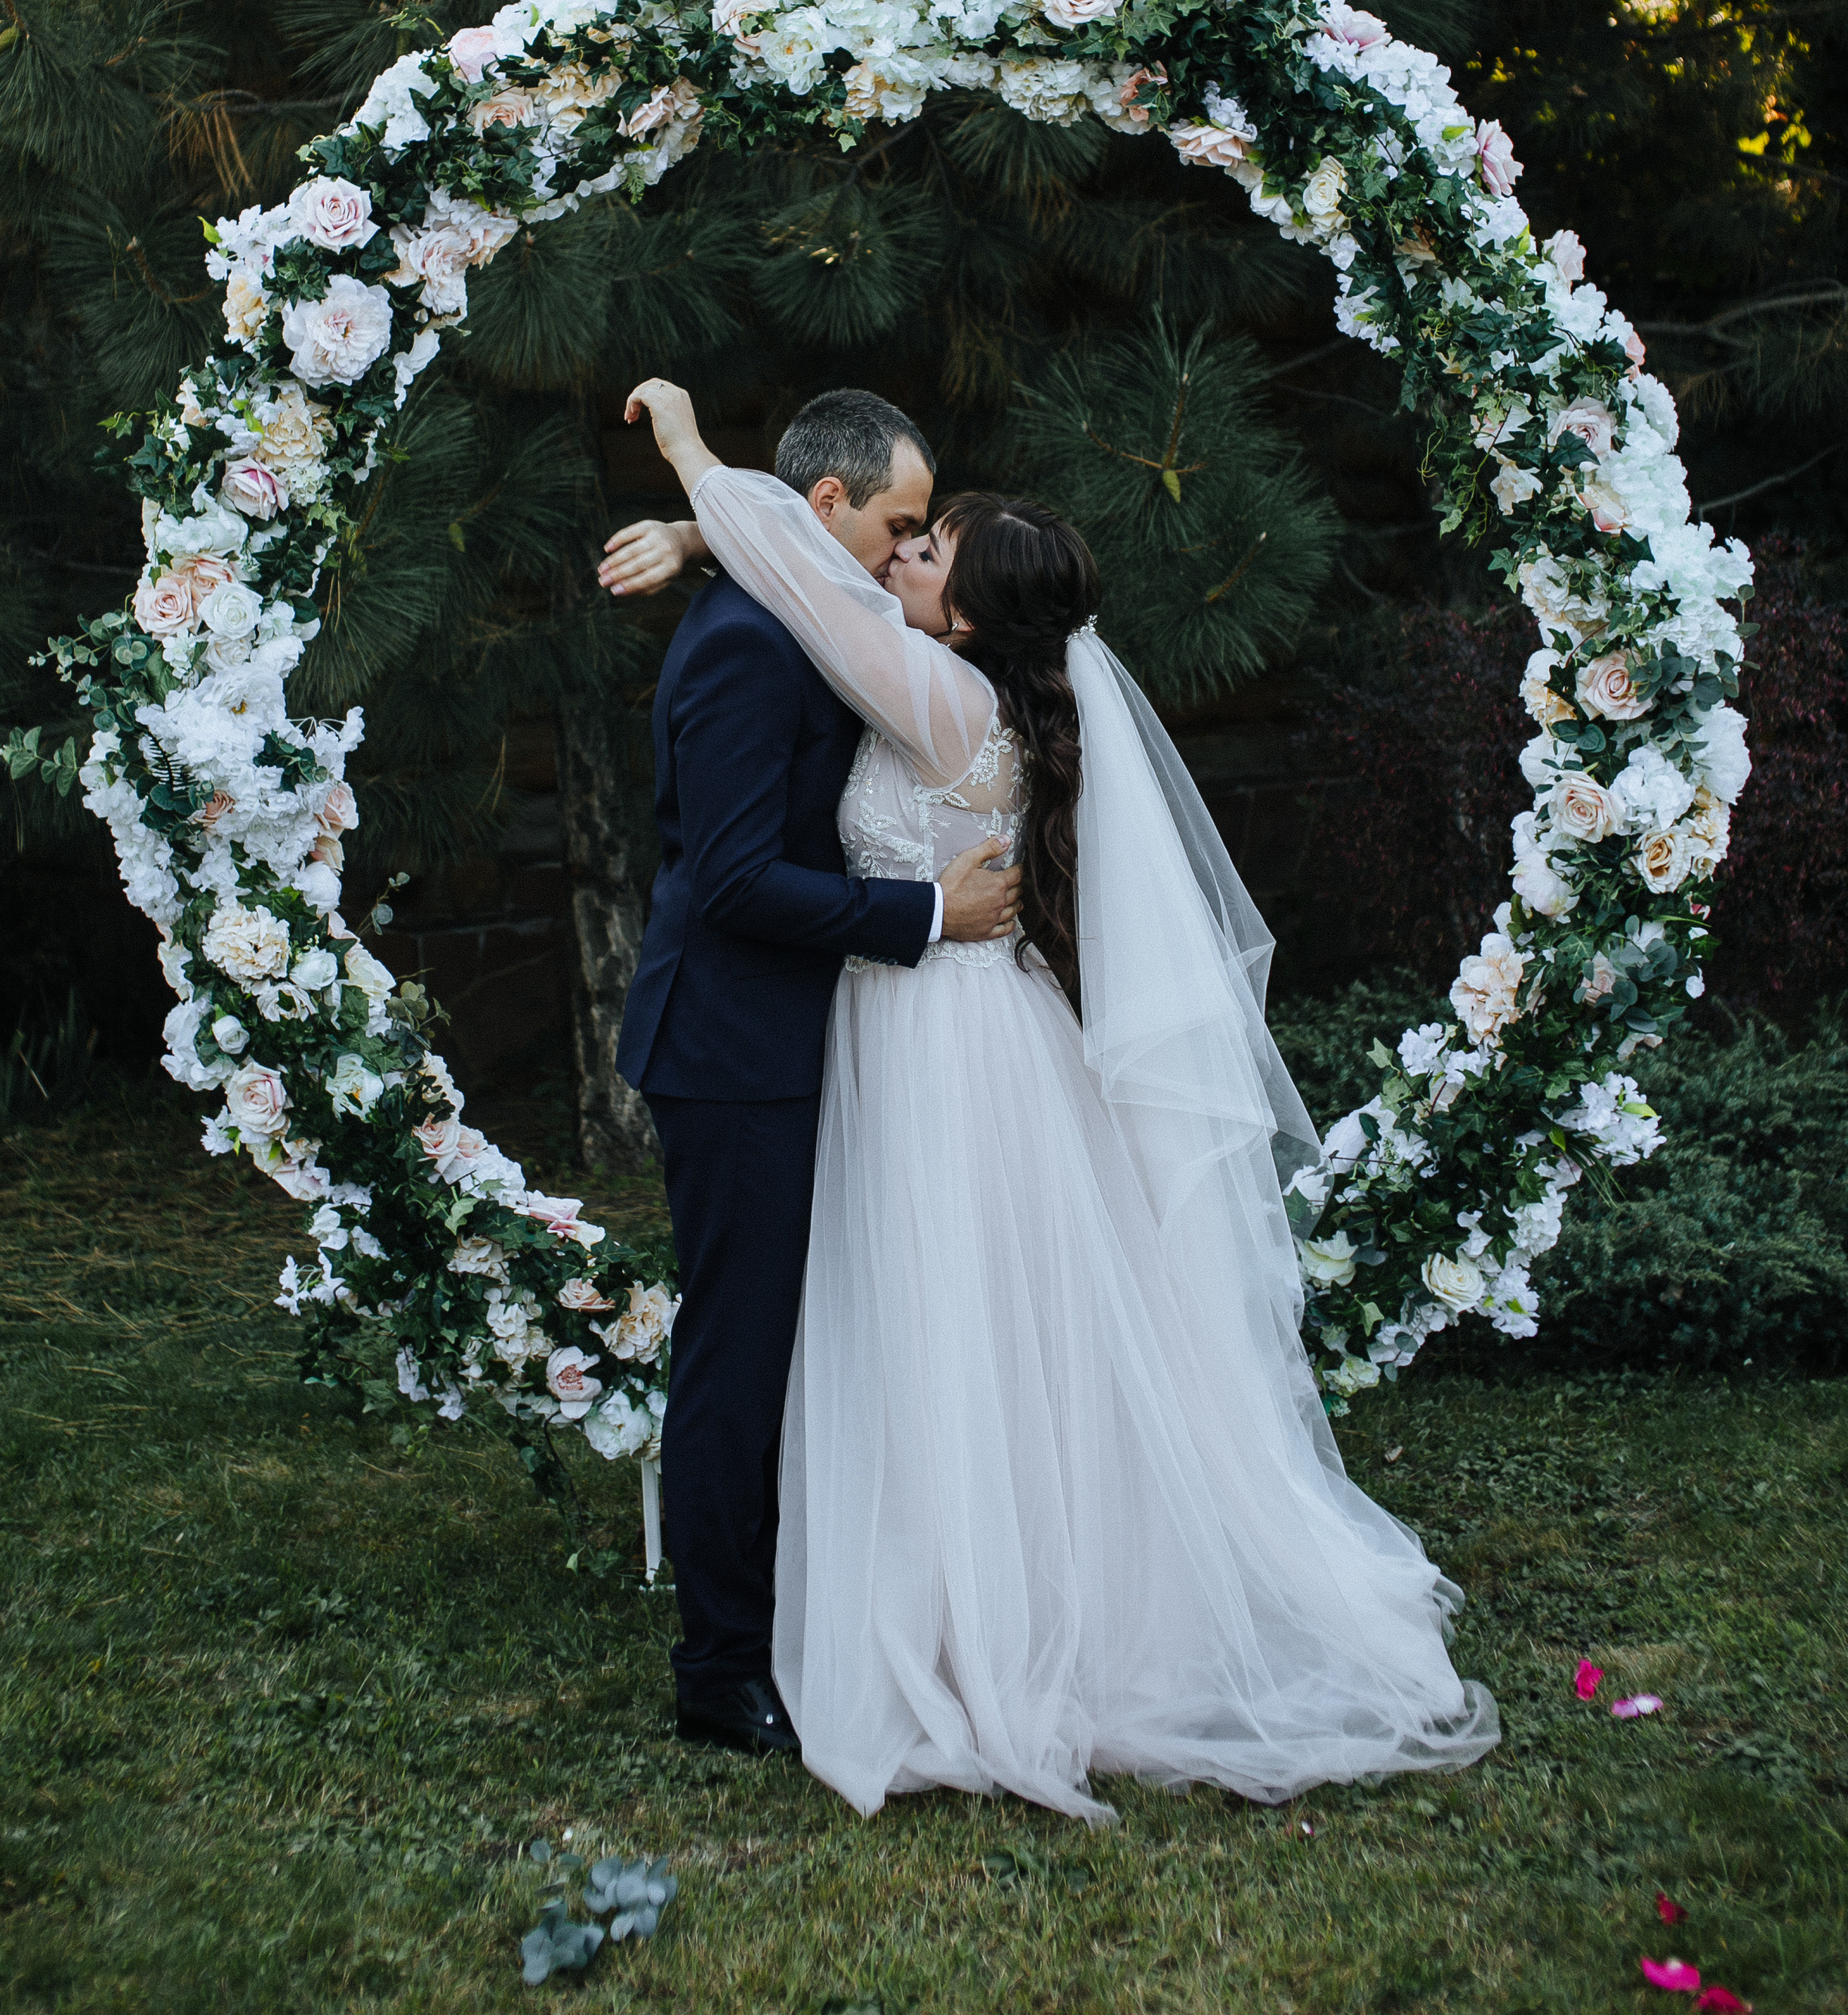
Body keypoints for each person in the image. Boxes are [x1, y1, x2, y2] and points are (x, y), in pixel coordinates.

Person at [605, 377, 1501, 1824]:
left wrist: (703, 471)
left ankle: (944, 1620)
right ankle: (774, 1641)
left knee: (944, 1326)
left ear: (969, 611)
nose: (903, 557)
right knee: (902, 1330)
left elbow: (821, 590)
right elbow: (799, 630)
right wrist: (708, 526)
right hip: (870, 1026)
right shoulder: (909, 665)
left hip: (940, 1042)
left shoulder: (945, 695)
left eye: (928, 548)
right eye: (900, 529)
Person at [605, 388, 1024, 1759]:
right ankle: (721, 1668)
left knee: (799, 1341)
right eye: (901, 523)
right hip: (732, 1046)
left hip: (796, 1039)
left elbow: (790, 562)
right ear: (828, 510)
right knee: (741, 1350)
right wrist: (921, 920)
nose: (913, 549)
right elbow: (728, 882)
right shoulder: (747, 649)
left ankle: (809, 1608)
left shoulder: (802, 617)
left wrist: (694, 526)